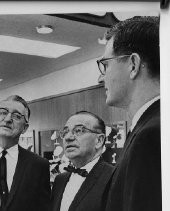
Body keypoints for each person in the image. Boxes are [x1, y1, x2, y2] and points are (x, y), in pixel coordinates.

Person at [96, 16, 161, 211]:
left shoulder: (150, 135)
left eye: (105, 65)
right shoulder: (148, 127)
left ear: (133, 64)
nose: (100, 77)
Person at [0, 95, 51, 211]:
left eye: (16, 116)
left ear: (25, 127)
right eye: (2, 112)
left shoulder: (39, 165)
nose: (7, 119)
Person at [51, 111, 114, 211]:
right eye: (65, 132)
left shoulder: (114, 177)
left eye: (79, 130)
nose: (68, 137)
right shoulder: (60, 180)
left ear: (99, 140)